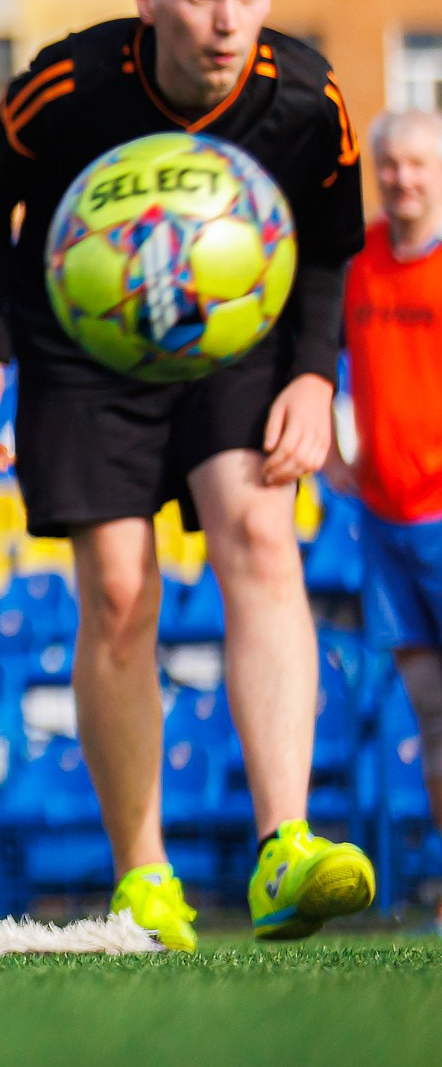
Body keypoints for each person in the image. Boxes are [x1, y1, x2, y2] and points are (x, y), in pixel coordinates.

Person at [0, 0, 372, 949]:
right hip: (83, 347)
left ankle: (284, 848)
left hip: (238, 341)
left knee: (260, 536)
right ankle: (144, 878)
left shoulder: (306, 94)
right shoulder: (69, 82)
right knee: (121, 591)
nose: (227, 19)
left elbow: (329, 238)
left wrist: (315, 377)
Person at [329, 107, 442, 926]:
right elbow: (309, 360)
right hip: (385, 523)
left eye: (418, 164)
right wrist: (335, 463)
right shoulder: (357, 263)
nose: (402, 178)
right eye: (390, 164)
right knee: (432, 716)